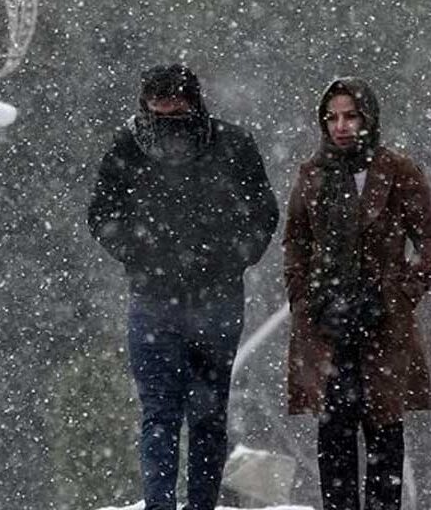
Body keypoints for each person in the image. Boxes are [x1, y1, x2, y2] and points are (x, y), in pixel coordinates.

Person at [87, 63, 278, 510]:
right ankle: (163, 504)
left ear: (193, 102)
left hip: (209, 299)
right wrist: (143, 254)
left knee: (198, 417)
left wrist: (228, 258)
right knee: (166, 415)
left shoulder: (231, 145)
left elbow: (261, 214)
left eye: (176, 108)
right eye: (160, 109)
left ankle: (197, 504)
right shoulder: (129, 146)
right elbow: (102, 213)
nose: (168, 119)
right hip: (158, 298)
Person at [284, 77, 431, 510]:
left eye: (351, 116)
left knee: (384, 431)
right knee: (334, 436)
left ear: (368, 117)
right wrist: (306, 299)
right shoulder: (312, 173)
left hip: (382, 324)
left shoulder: (397, 171)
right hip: (327, 324)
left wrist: (399, 293)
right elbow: (296, 243)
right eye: (332, 117)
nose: (341, 126)